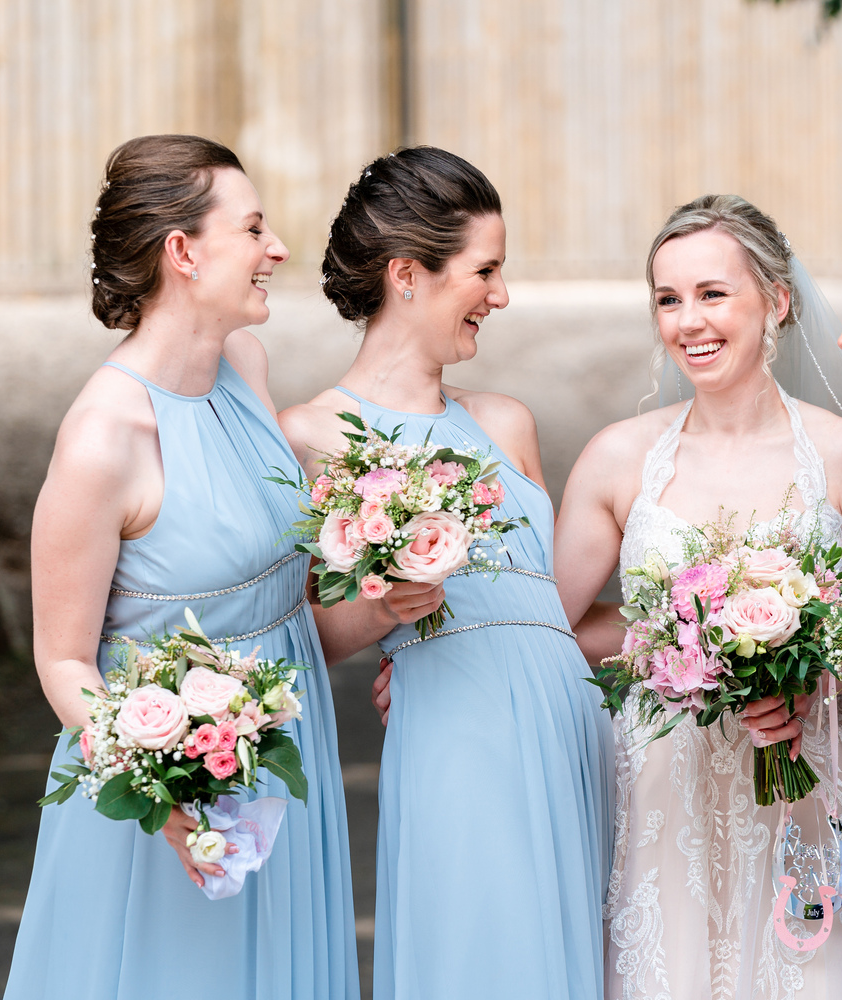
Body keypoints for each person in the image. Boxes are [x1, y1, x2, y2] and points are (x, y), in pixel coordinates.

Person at [5, 134, 358, 999]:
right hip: (174, 792)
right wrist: (163, 796)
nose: (278, 249)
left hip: (286, 752)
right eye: (254, 229)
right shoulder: (104, 440)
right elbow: (63, 658)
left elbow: (282, 580)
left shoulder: (245, 366)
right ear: (183, 252)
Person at [278, 146, 613, 1000]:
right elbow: (304, 635)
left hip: (572, 726)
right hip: (457, 731)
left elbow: (556, 608)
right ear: (407, 275)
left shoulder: (507, 423)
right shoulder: (311, 435)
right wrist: (390, 609)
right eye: (485, 271)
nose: (501, 296)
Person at [554, 194, 842, 999]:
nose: (688, 322)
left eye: (712, 294)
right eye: (668, 299)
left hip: (804, 782)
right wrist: (677, 648)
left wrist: (813, 677)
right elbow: (548, 625)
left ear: (776, 300)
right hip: (666, 794)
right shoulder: (618, 459)